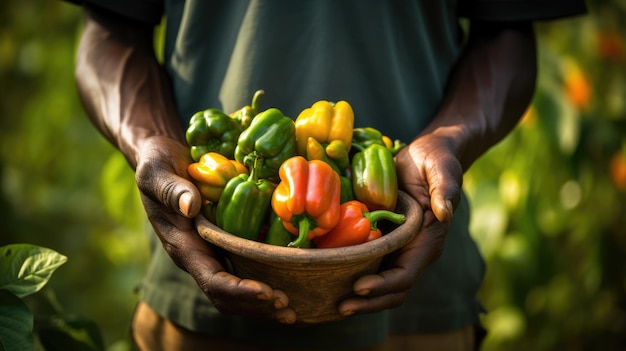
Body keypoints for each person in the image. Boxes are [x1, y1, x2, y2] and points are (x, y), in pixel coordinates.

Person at [68, 1, 586, 350]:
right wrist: (148, 144)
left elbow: (509, 28)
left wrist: (449, 139)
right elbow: (110, 27)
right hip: (198, 301)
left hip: (418, 308)